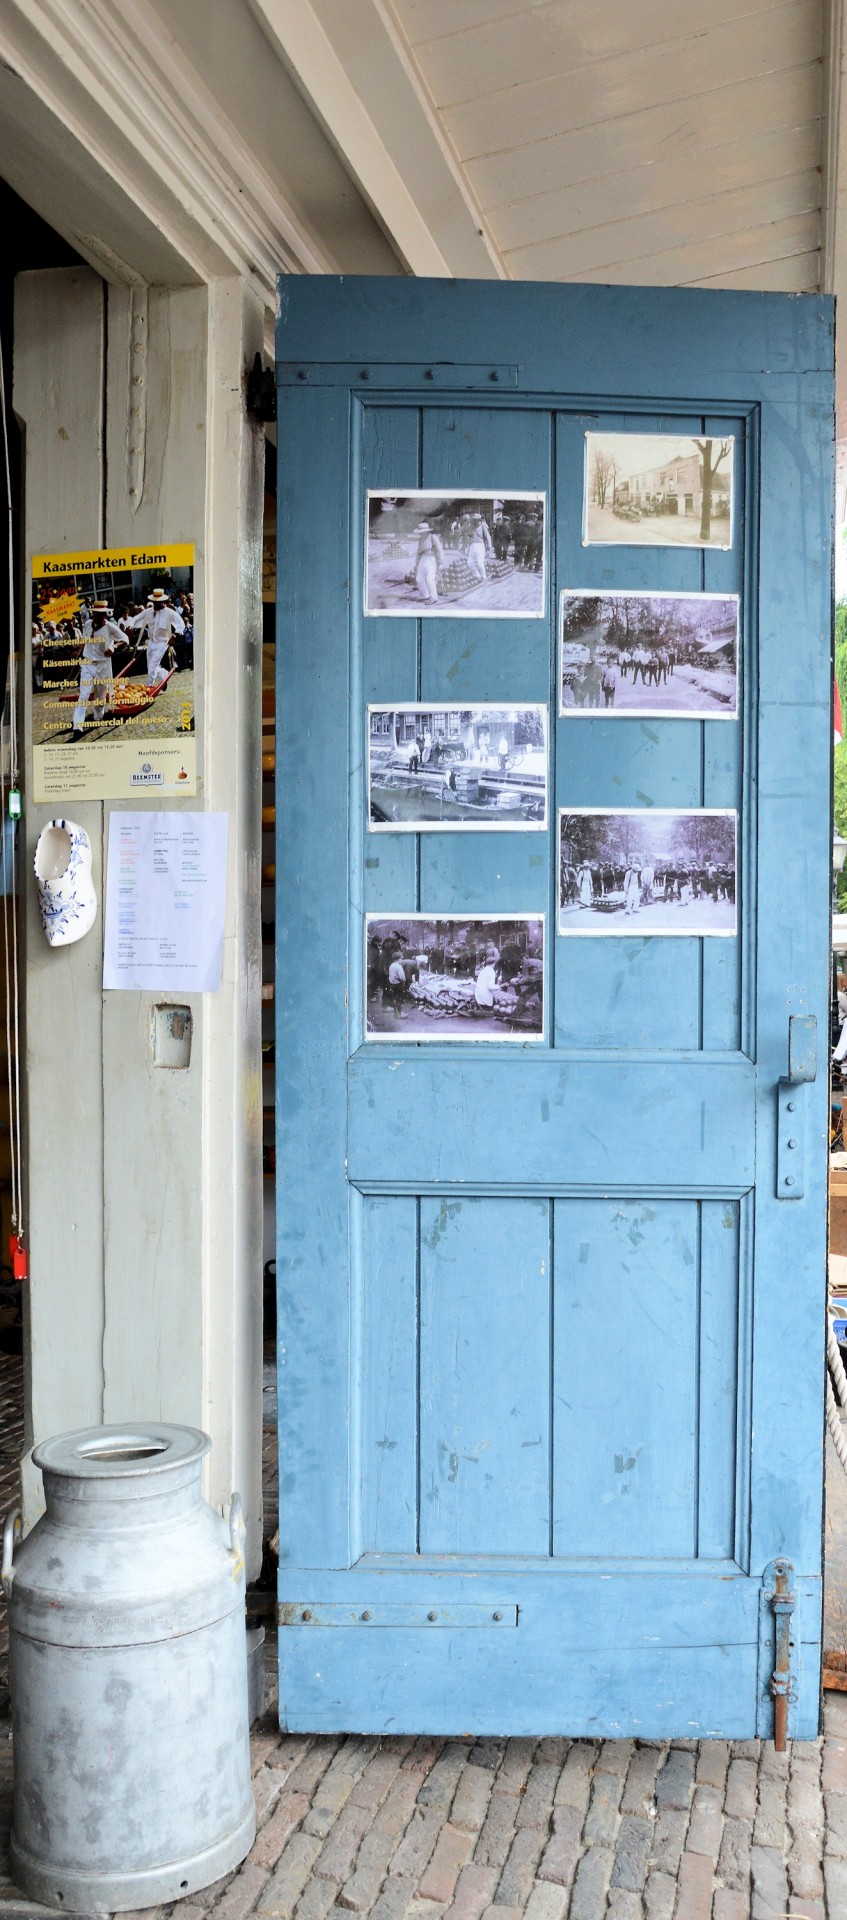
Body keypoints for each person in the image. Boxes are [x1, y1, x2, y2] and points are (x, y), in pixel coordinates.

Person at [70, 600, 125, 740]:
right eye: (97, 614)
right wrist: (78, 651)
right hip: (87, 663)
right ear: (93, 613)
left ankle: (98, 715)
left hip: (102, 665)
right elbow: (85, 639)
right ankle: (77, 725)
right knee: (84, 694)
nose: (100, 616)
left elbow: (124, 639)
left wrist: (114, 647)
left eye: (102, 614)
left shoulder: (110, 627)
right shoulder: (88, 624)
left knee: (100, 695)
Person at [126, 588, 185, 685]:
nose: (156, 604)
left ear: (163, 601)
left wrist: (175, 635)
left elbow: (180, 624)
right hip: (151, 642)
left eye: (158, 602)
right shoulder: (148, 612)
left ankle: (149, 686)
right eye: (154, 601)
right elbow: (136, 619)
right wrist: (130, 626)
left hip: (163, 643)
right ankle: (164, 675)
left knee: (153, 666)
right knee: (151, 667)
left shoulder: (169, 613)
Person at [413, 523, 444, 605]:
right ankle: (426, 595)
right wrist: (417, 562)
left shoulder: (433, 537)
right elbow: (418, 552)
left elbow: (440, 550)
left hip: (431, 558)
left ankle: (434, 598)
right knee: (419, 578)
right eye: (420, 532)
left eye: (422, 531)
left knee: (430, 579)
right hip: (423, 559)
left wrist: (441, 562)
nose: (421, 533)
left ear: (426, 531)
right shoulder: (421, 539)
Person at [466, 513, 493, 584]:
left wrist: (489, 547)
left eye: (477, 520)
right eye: (474, 520)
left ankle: (484, 577)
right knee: (469, 563)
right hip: (472, 546)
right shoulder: (471, 528)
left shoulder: (483, 527)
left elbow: (488, 537)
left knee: (480, 563)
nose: (475, 521)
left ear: (480, 520)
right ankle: (477, 576)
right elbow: (469, 537)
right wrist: (468, 548)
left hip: (480, 545)